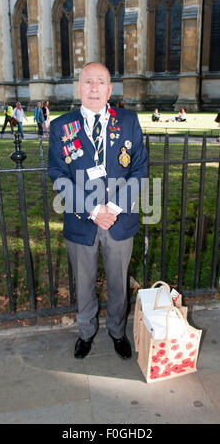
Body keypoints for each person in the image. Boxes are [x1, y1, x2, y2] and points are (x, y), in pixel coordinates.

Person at [48, 62, 148, 360]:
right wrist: (93, 209)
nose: (94, 87)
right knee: (85, 284)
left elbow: (140, 169)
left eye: (100, 81)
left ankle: (117, 332)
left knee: (119, 284)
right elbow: (58, 173)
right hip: (82, 221)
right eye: (88, 81)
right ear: (78, 87)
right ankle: (85, 332)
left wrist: (113, 209)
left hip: (119, 220)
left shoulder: (129, 121)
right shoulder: (60, 126)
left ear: (109, 89)